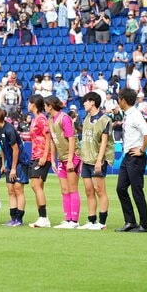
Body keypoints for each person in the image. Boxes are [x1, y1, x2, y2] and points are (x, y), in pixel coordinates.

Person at [115, 88, 147, 233]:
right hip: (128, 156)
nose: (118, 101)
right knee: (121, 189)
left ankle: (144, 224)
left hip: (135, 157)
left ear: (123, 100)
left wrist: (141, 150)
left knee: (137, 190)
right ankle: (130, 221)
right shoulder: (129, 115)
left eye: (119, 98)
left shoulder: (135, 115)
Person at [0, 107, 29, 226]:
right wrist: (3, 164)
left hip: (20, 162)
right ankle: (13, 218)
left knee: (18, 189)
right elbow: (2, 148)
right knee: (10, 191)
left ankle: (19, 219)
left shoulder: (9, 130)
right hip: (10, 163)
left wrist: (14, 169)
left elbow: (15, 150)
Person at [79, 92, 115, 230]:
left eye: (86, 101)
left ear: (92, 102)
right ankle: (91, 220)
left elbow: (104, 142)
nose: (84, 104)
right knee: (89, 191)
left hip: (97, 160)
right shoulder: (87, 118)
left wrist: (100, 161)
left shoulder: (105, 120)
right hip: (86, 160)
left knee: (100, 190)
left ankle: (102, 222)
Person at [45, 95, 81, 229]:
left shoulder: (64, 118)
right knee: (64, 190)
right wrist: (53, 160)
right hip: (61, 158)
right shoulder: (50, 120)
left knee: (72, 188)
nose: (44, 108)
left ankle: (74, 221)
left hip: (72, 157)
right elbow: (53, 141)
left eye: (45, 105)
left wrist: (71, 159)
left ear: (50, 106)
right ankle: (68, 219)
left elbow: (71, 139)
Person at [27, 95, 52, 228]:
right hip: (35, 155)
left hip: (42, 156)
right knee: (37, 186)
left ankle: (43, 217)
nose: (27, 105)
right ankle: (43, 217)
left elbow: (48, 138)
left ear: (34, 104)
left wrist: (44, 156)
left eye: (29, 103)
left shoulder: (41, 119)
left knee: (35, 185)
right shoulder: (35, 119)